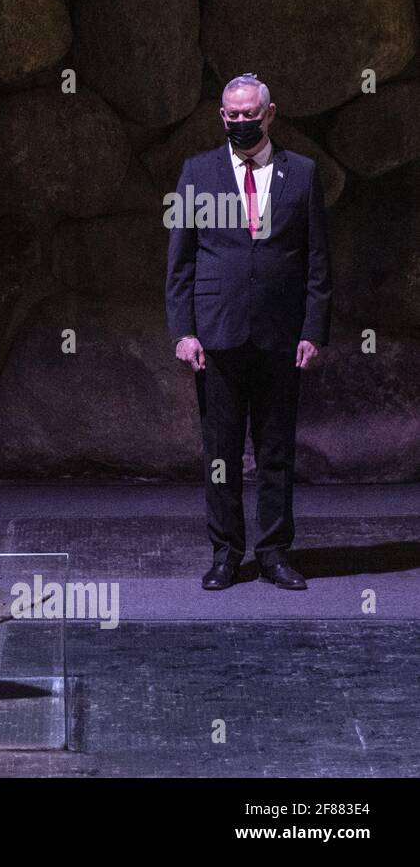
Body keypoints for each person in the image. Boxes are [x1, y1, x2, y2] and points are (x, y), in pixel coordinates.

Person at [166, 74, 332, 592]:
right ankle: (225, 553)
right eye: (232, 114)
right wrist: (184, 332)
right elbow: (181, 261)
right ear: (222, 116)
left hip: (281, 337)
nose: (241, 121)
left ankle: (275, 552)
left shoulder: (301, 174)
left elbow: (317, 262)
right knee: (220, 454)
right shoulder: (198, 173)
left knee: (276, 451)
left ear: (270, 113)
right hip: (217, 338)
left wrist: (312, 329)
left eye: (249, 114)